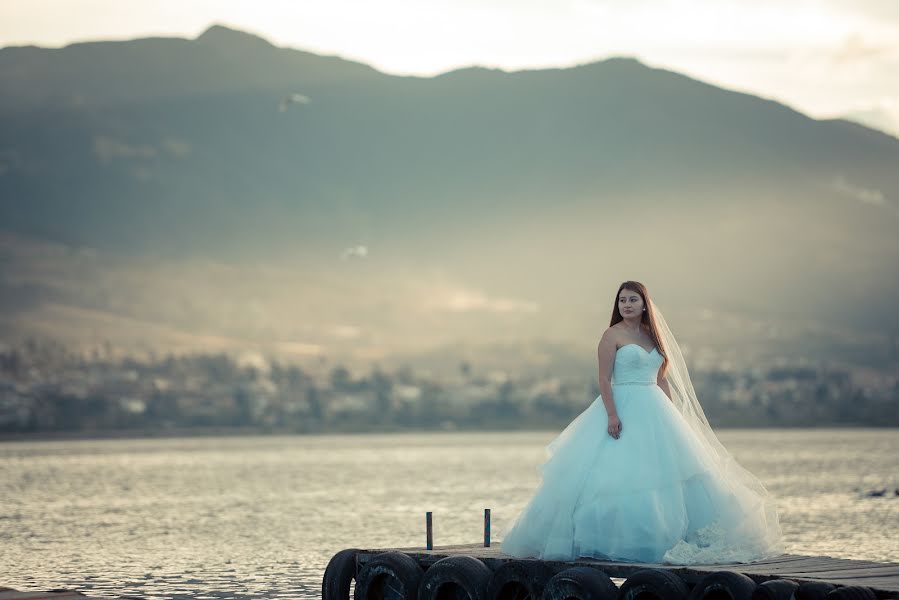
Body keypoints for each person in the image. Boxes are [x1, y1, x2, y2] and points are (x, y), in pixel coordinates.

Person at [500, 280, 784, 564]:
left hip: (656, 409)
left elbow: (660, 378)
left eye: (632, 299)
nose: (626, 304)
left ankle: (676, 536)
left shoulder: (652, 336)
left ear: (644, 303)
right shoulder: (611, 335)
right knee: (618, 475)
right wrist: (612, 414)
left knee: (672, 475)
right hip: (622, 405)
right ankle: (613, 541)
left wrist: (674, 417)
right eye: (622, 300)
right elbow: (603, 379)